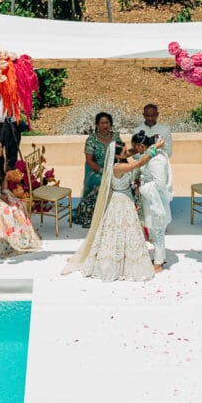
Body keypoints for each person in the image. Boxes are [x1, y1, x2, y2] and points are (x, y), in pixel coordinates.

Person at [62, 139, 165, 282]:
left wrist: (143, 146)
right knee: (120, 230)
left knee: (124, 231)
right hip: (121, 201)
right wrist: (155, 147)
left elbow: (132, 152)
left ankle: (123, 257)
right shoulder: (118, 167)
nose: (127, 152)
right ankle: (115, 262)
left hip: (124, 198)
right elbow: (140, 163)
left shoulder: (119, 160)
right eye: (124, 151)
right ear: (117, 155)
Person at [72, 112, 124, 227]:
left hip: (113, 168)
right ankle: (94, 217)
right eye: (102, 123)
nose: (105, 125)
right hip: (95, 170)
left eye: (107, 122)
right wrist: (103, 171)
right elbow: (89, 160)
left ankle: (116, 215)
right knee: (102, 182)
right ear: (97, 125)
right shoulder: (92, 139)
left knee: (125, 181)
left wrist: (120, 168)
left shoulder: (115, 137)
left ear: (110, 124)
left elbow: (121, 154)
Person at [132, 131, 173, 273]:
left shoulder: (156, 160)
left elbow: (159, 183)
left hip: (156, 200)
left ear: (141, 145)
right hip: (150, 198)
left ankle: (159, 263)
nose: (135, 150)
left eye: (135, 147)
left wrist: (142, 188)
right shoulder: (150, 154)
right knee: (153, 231)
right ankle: (158, 257)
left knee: (158, 231)